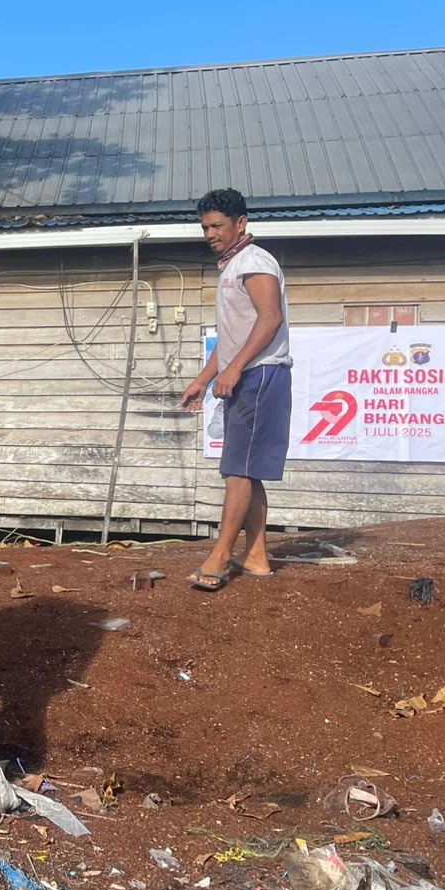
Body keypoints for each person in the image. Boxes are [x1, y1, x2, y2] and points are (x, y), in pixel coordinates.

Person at [180, 187, 294, 591]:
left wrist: (236, 368)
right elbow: (233, 337)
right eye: (205, 227)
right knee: (248, 469)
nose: (210, 233)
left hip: (260, 375)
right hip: (248, 373)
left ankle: (220, 556)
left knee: (238, 470)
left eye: (217, 225)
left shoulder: (254, 260)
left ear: (241, 223)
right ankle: (257, 556)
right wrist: (204, 378)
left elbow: (270, 318)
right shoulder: (232, 265)